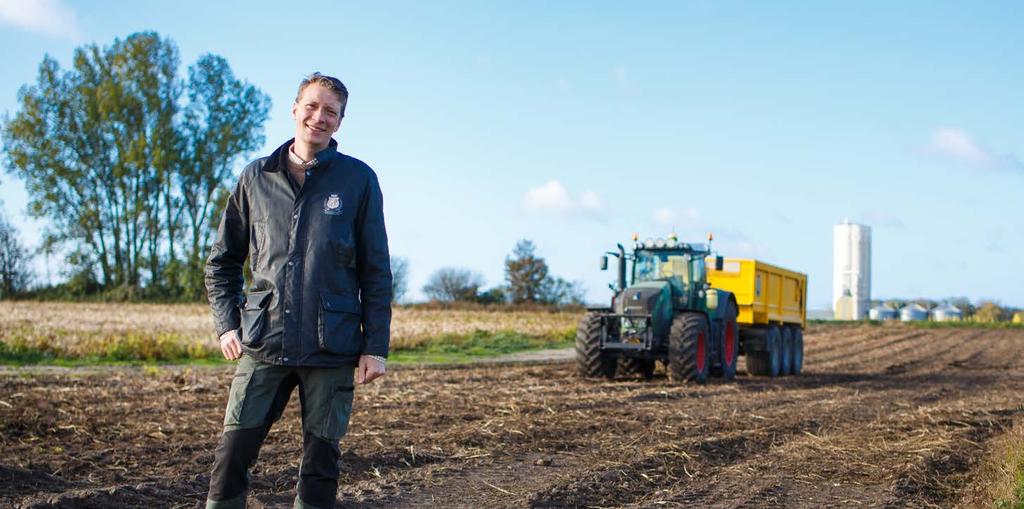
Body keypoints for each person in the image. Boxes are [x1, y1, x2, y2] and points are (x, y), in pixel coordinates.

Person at [204, 72, 392, 509]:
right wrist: (227, 325)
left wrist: (375, 346)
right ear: (294, 109)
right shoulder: (255, 177)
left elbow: (376, 272)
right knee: (232, 454)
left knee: (320, 464)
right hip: (263, 342)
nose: (319, 117)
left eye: (331, 111)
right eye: (312, 106)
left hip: (332, 347)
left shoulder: (358, 180)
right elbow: (222, 261)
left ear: (340, 122)